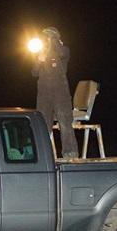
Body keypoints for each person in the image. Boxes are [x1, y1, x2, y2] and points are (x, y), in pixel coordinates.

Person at [32, 26, 78, 158]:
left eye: (48, 37)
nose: (45, 40)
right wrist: (39, 60)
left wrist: (54, 41)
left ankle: (70, 154)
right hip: (44, 94)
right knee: (43, 123)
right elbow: (34, 72)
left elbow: (63, 53)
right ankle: (43, 156)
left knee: (64, 122)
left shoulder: (63, 50)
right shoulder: (41, 53)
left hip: (60, 93)